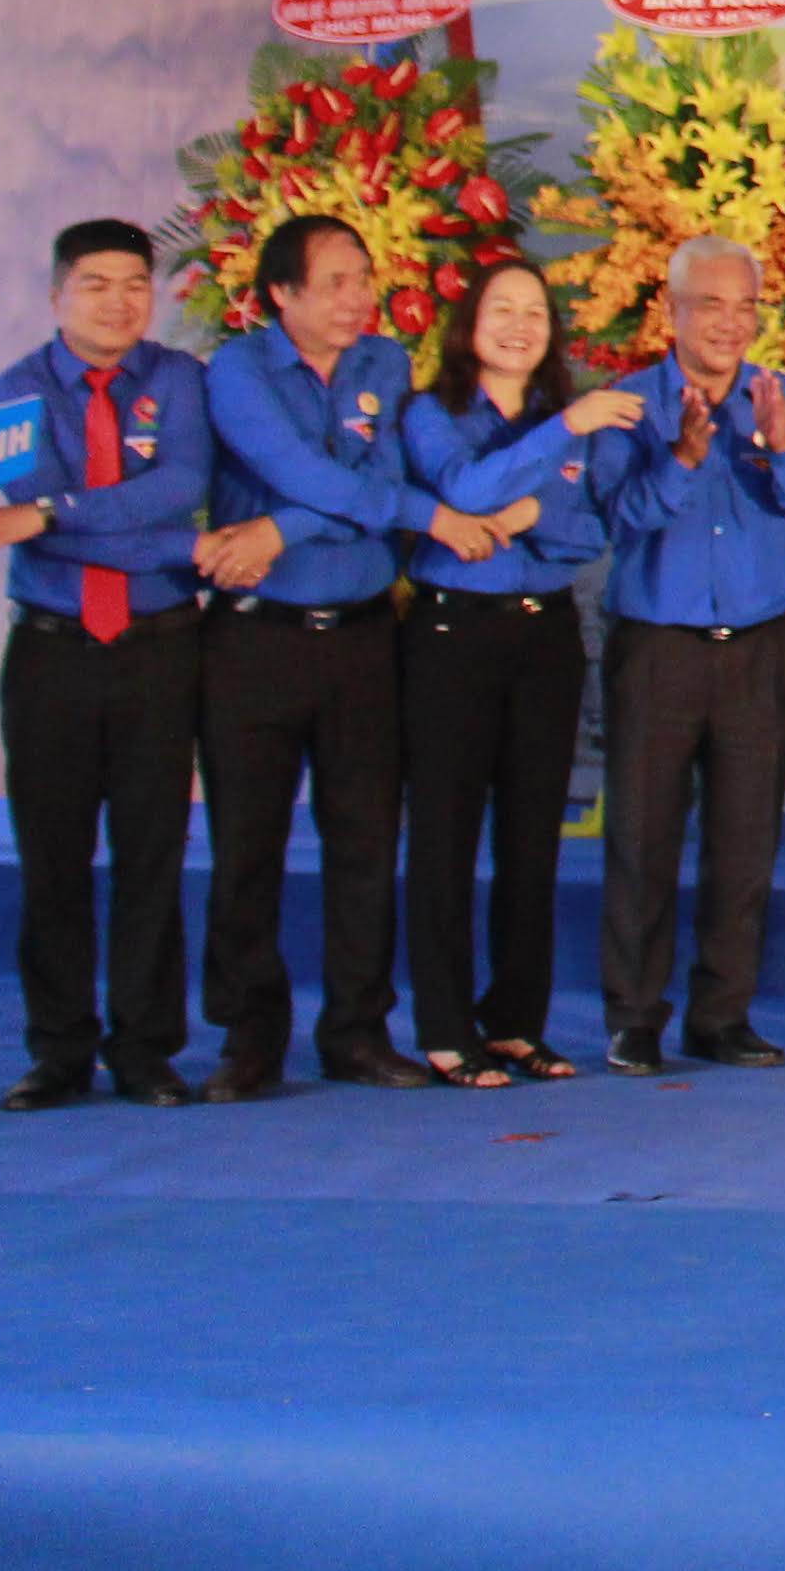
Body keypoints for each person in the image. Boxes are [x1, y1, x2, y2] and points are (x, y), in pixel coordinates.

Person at [204, 211, 509, 1095]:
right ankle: (249, 1038)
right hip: (257, 638)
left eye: (364, 278)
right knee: (247, 847)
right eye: (334, 282)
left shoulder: (384, 362)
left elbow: (375, 482)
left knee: (367, 842)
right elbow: (314, 477)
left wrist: (277, 528)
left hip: (366, 637)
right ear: (281, 293)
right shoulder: (238, 369)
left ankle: (358, 1031)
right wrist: (419, 514)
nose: (357, 297)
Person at [0, 220, 213, 1110]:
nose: (119, 301)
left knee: (152, 854)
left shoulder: (179, 379)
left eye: (136, 283)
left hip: (161, 646)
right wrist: (148, 536)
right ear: (57, 294)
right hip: (53, 651)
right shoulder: (16, 391)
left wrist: (50, 516)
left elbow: (180, 486)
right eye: (96, 284)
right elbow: (42, 512)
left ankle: (145, 1047)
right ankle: (59, 1050)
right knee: (52, 858)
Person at [591, 234, 785, 1075]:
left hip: (759, 649)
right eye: (711, 305)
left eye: (745, 306)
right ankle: (633, 1018)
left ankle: (722, 1015)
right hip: (658, 648)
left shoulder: (778, 393)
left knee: (745, 844)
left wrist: (782, 444)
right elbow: (615, 518)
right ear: (672, 311)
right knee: (642, 838)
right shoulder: (629, 404)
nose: (731, 322)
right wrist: (683, 462)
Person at [394, 260, 628, 1084]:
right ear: (469, 323)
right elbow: (464, 488)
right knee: (446, 836)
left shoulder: (563, 418)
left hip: (545, 635)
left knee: (532, 839)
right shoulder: (433, 412)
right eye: (503, 308)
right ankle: (444, 1025)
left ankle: (516, 1022)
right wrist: (553, 449)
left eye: (536, 311)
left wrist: (523, 512)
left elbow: (587, 531)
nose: (521, 325)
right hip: (452, 633)